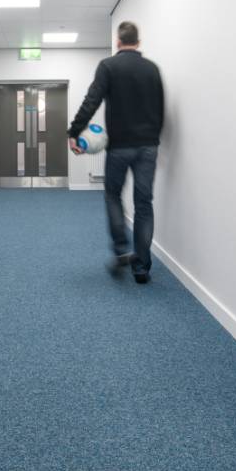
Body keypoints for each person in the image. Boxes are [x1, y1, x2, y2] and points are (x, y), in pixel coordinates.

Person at [67, 21, 164, 284]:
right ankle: (142, 267)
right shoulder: (152, 69)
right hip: (147, 147)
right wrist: (153, 139)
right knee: (144, 204)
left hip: (120, 146)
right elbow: (160, 108)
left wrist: (74, 132)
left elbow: (91, 101)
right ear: (138, 42)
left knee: (112, 195)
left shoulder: (108, 66)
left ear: (118, 42)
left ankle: (122, 249)